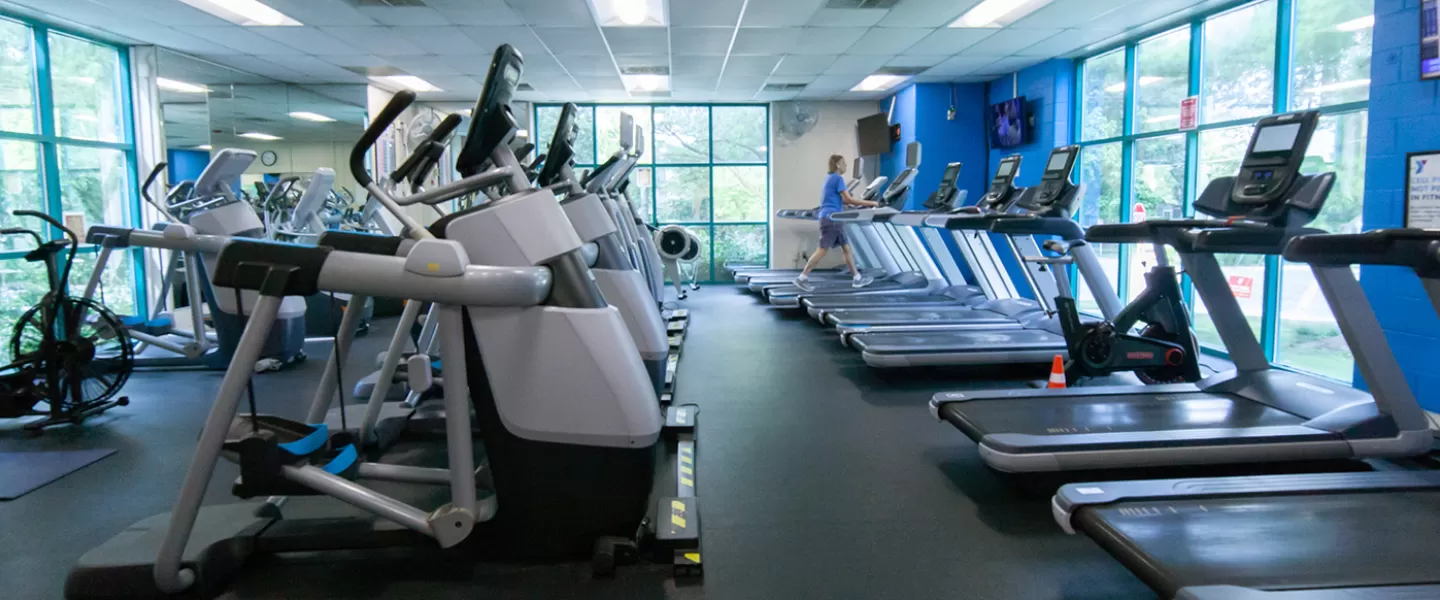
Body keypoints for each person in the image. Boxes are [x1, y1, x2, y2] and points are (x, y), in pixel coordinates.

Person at [794, 154, 878, 291]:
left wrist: (853, 205)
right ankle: (802, 278)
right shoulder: (838, 178)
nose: (846, 165)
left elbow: (843, 201)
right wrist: (871, 203)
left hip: (832, 217)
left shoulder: (830, 178)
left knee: (846, 248)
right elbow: (848, 199)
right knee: (822, 250)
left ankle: (857, 278)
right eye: (844, 163)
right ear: (838, 165)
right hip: (831, 219)